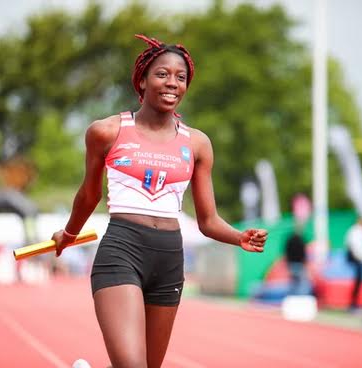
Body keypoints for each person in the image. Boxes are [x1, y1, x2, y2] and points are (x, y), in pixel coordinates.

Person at [52, 34, 268, 368]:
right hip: (122, 251)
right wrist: (68, 234)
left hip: (169, 259)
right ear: (142, 80)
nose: (172, 83)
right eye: (162, 74)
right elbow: (89, 194)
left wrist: (238, 237)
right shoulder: (107, 132)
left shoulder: (197, 144)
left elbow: (208, 221)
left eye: (181, 77)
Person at [344, 216, 362, 311]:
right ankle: (353, 304)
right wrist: (361, 257)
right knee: (358, 280)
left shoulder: (361, 231)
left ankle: (355, 303)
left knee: (359, 280)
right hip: (357, 259)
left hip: (360, 259)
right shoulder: (356, 231)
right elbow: (355, 246)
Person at [284, 226, 307, 295]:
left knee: (293, 282)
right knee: (300, 282)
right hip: (299, 263)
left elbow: (286, 251)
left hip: (292, 263)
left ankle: (293, 295)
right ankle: (298, 296)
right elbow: (303, 252)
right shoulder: (301, 240)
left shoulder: (289, 239)